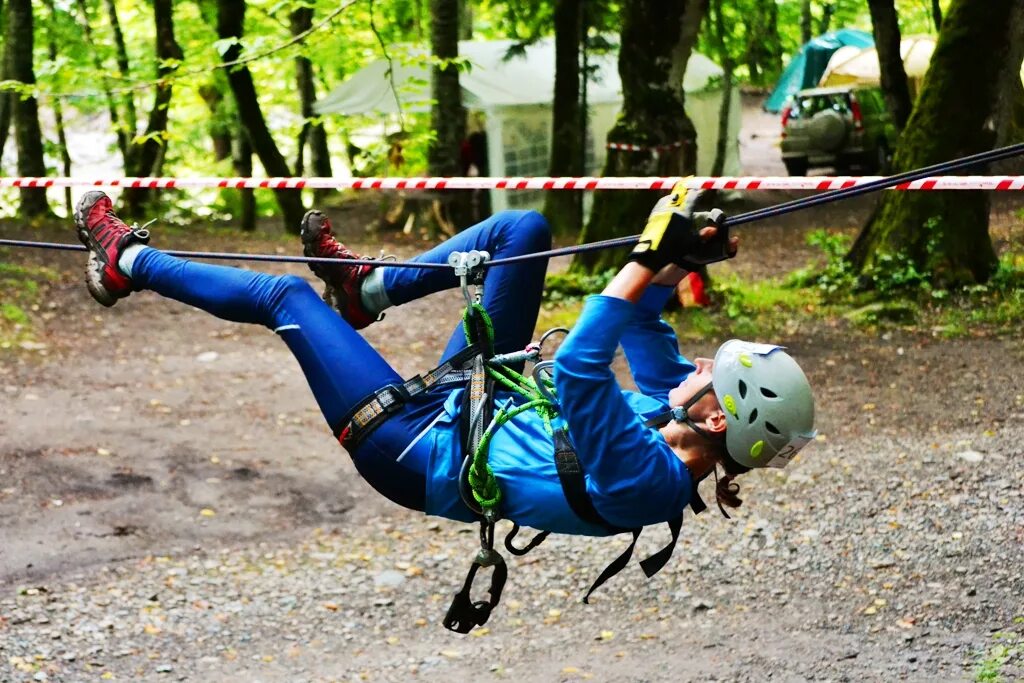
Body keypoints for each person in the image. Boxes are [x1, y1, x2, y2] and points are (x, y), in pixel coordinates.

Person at [72, 187, 815, 539]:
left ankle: (124, 261)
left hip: (418, 448)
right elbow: (644, 318)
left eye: (707, 372)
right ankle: (368, 288)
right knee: (522, 229)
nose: (691, 367)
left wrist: (645, 256)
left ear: (716, 413)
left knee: (285, 297)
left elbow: (588, 361)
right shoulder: (677, 419)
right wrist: (691, 254)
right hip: (480, 398)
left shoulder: (646, 478)